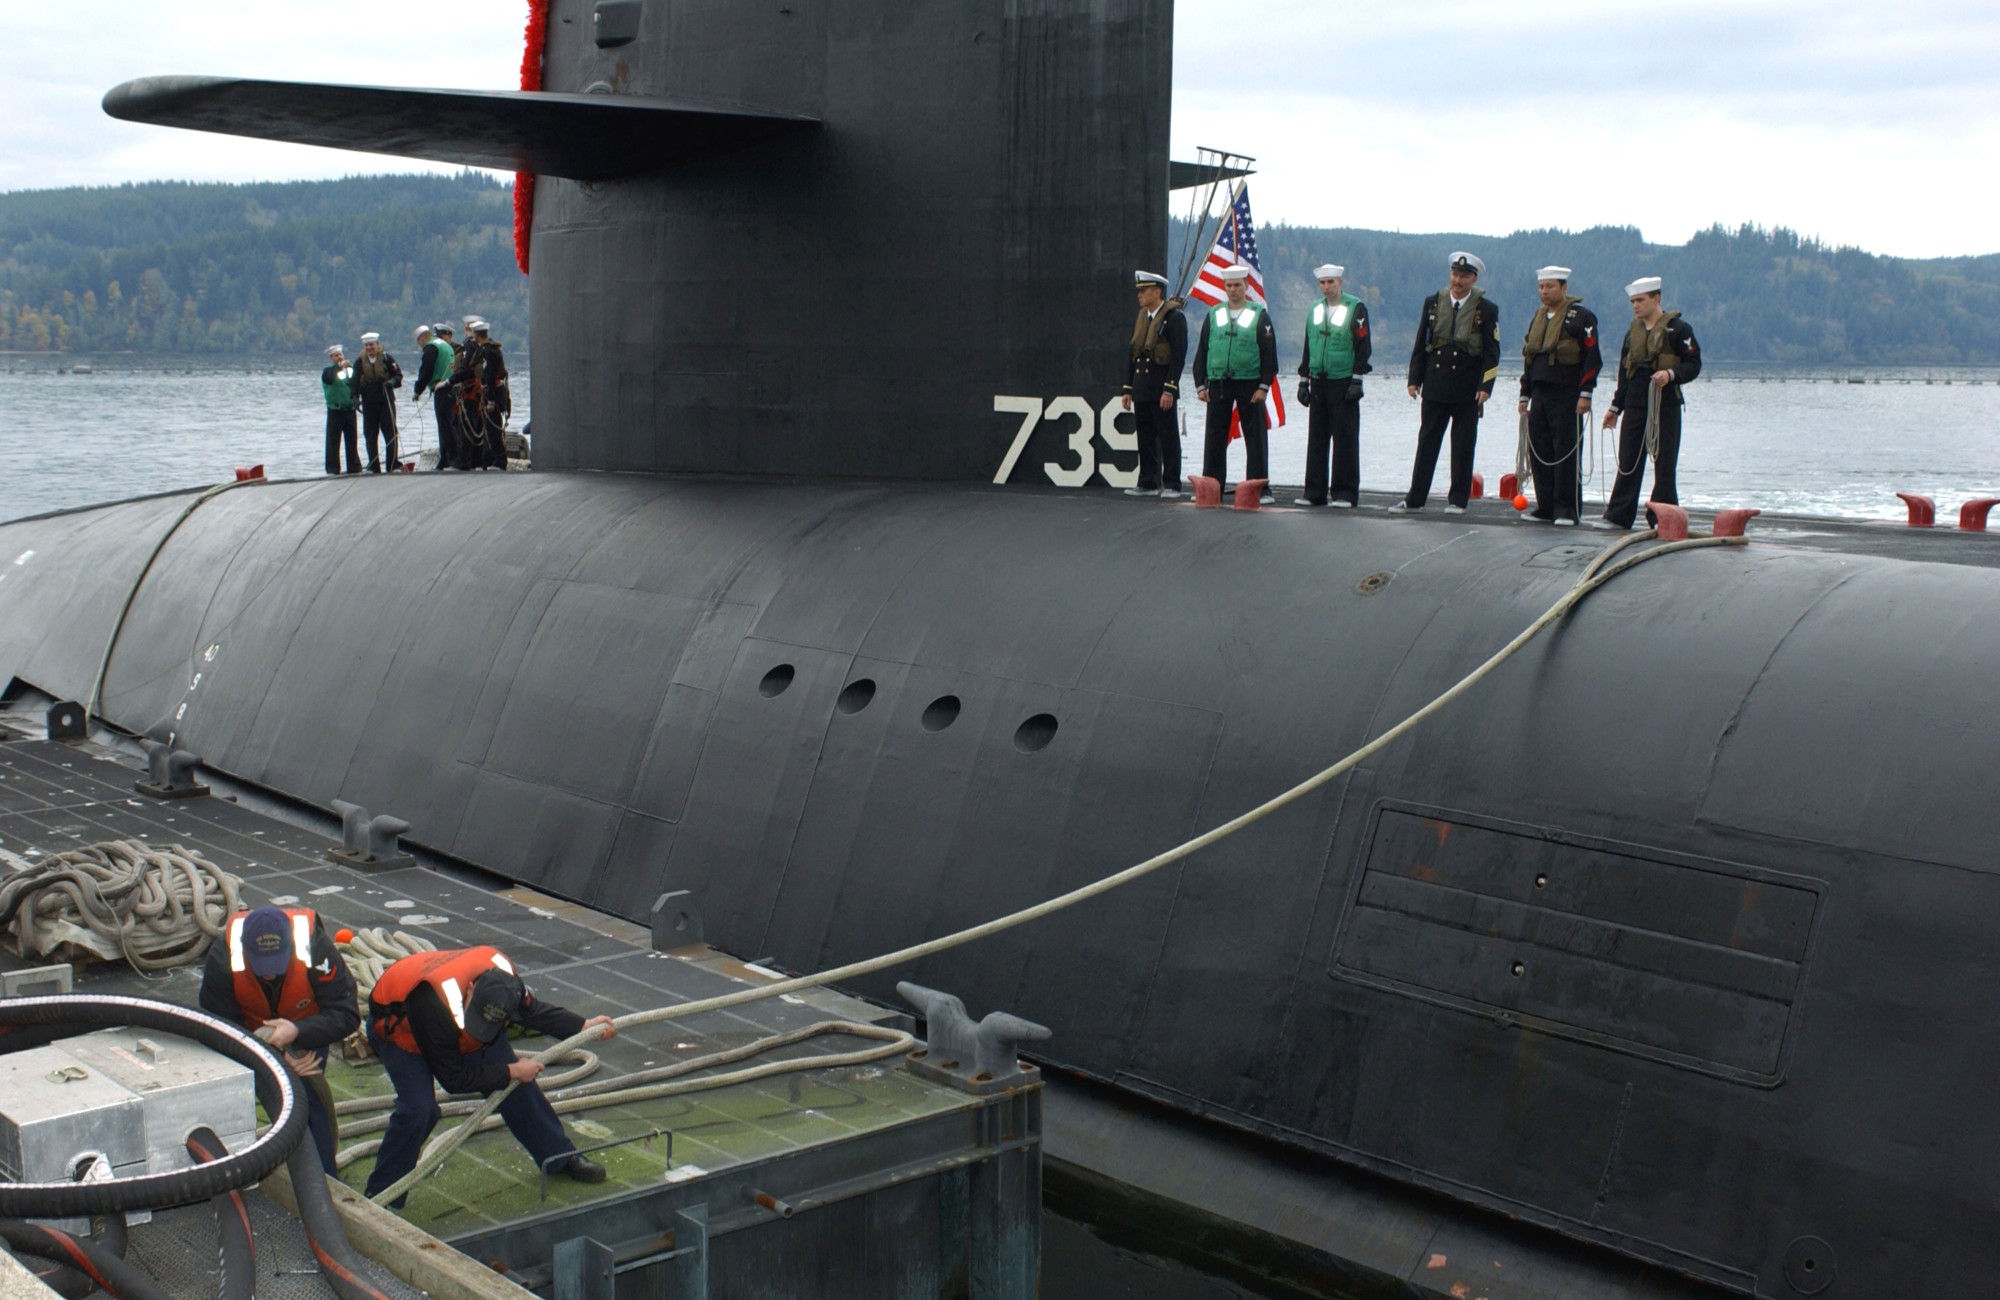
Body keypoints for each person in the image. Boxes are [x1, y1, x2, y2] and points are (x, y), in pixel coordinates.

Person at [362, 945, 616, 1207]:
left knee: (517, 1086)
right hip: (402, 1034)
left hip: (455, 1027)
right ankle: (383, 1194)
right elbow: (454, 1079)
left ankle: (559, 1157)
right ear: (470, 990)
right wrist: (510, 1069)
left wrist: (582, 1026)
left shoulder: (506, 983)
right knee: (419, 1109)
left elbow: (535, 1012)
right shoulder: (434, 999)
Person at [198, 905, 359, 1175]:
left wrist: (298, 1032)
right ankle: (237, 1171)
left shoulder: (316, 949)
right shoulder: (222, 958)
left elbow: (346, 1013)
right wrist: (273, 1057)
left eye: (276, 964)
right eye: (261, 966)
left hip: (308, 1026)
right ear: (244, 947)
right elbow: (218, 1028)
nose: (269, 974)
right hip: (249, 1034)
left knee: (308, 1102)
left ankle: (323, 1181)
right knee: (255, 1100)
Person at [1597, 276, 1702, 530]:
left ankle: (1663, 517)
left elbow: (1693, 364)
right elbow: (1624, 373)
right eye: (1633, 301)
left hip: (1665, 407)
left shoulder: (1679, 330)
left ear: (1656, 299)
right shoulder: (1631, 334)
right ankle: (1619, 515)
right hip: (1635, 405)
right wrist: (1615, 407)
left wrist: (1671, 375)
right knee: (1629, 461)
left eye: (1640, 300)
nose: (1635, 306)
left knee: (1665, 464)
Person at [1400, 252, 1499, 513]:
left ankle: (1457, 500)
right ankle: (1415, 499)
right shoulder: (1433, 303)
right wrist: (1414, 379)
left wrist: (1485, 387)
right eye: (1455, 274)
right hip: (1435, 385)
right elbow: (1421, 343)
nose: (1458, 280)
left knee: (1463, 445)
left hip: (1467, 389)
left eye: (1464, 276)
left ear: (1473, 279)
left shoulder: (1486, 310)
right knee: (1427, 443)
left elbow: (1492, 353)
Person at [1516, 267, 1601, 526]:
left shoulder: (1582, 318)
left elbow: (1591, 358)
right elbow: (1530, 358)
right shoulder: (1539, 317)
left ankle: (1567, 509)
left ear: (1563, 288)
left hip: (1567, 394)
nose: (1544, 292)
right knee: (1539, 450)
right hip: (1540, 393)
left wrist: (1586, 394)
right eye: (1541, 287)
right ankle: (1545, 506)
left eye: (1550, 286)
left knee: (1565, 451)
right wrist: (1524, 394)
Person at [1193, 264, 1278, 502]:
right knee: (1214, 435)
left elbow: (1269, 353)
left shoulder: (1259, 315)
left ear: (1246, 287)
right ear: (1224, 287)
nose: (1232, 290)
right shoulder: (1215, 314)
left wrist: (1264, 386)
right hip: (1219, 382)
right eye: (1229, 286)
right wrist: (1200, 384)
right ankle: (1212, 486)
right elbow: (1203, 349)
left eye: (1237, 285)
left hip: (1249, 382)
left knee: (1255, 436)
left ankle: (1258, 487)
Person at [1293, 263, 1371, 507]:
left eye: (1331, 282)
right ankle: (1314, 492)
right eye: (1322, 283)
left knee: (1345, 438)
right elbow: (1309, 344)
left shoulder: (1355, 308)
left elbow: (1363, 345)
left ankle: (1345, 492)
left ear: (1340, 283)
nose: (1326, 287)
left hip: (1343, 381)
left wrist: (1357, 378)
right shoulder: (1315, 309)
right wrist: (1304, 380)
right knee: (1316, 438)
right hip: (1319, 380)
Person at [1121, 271, 1189, 499]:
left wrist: (1170, 388)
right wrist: (1128, 388)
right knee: (1145, 436)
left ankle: (1171, 483)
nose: (1139, 294)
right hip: (1142, 388)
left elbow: (1178, 357)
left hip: (1161, 388)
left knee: (1168, 436)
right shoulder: (1142, 318)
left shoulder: (1174, 319)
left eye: (1144, 290)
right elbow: (1134, 354)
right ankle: (1148, 481)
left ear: (1157, 292)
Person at [353, 332, 405, 473]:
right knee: (370, 434)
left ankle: (393, 464)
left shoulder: (387, 358)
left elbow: (398, 375)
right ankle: (373, 465)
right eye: (366, 345)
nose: (369, 348)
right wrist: (355, 399)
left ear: (377, 345)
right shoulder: (359, 362)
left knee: (390, 432)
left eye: (371, 345)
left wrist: (392, 382)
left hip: (386, 399)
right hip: (369, 402)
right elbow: (354, 382)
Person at [412, 324, 459, 470]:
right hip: (454, 387)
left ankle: (452, 459)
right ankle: (445, 459)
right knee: (451, 424)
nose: (420, 346)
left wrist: (417, 391)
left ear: (421, 339)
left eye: (419, 342)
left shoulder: (430, 347)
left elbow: (426, 369)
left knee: (445, 425)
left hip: (442, 389)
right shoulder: (445, 345)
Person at [321, 345, 361, 475]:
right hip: (335, 410)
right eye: (336, 355)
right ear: (331, 357)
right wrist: (339, 366)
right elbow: (330, 377)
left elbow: (355, 383)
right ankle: (332, 469)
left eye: (340, 355)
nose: (339, 357)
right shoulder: (328, 371)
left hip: (349, 409)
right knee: (333, 441)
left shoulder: (348, 370)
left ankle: (354, 467)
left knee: (352, 440)